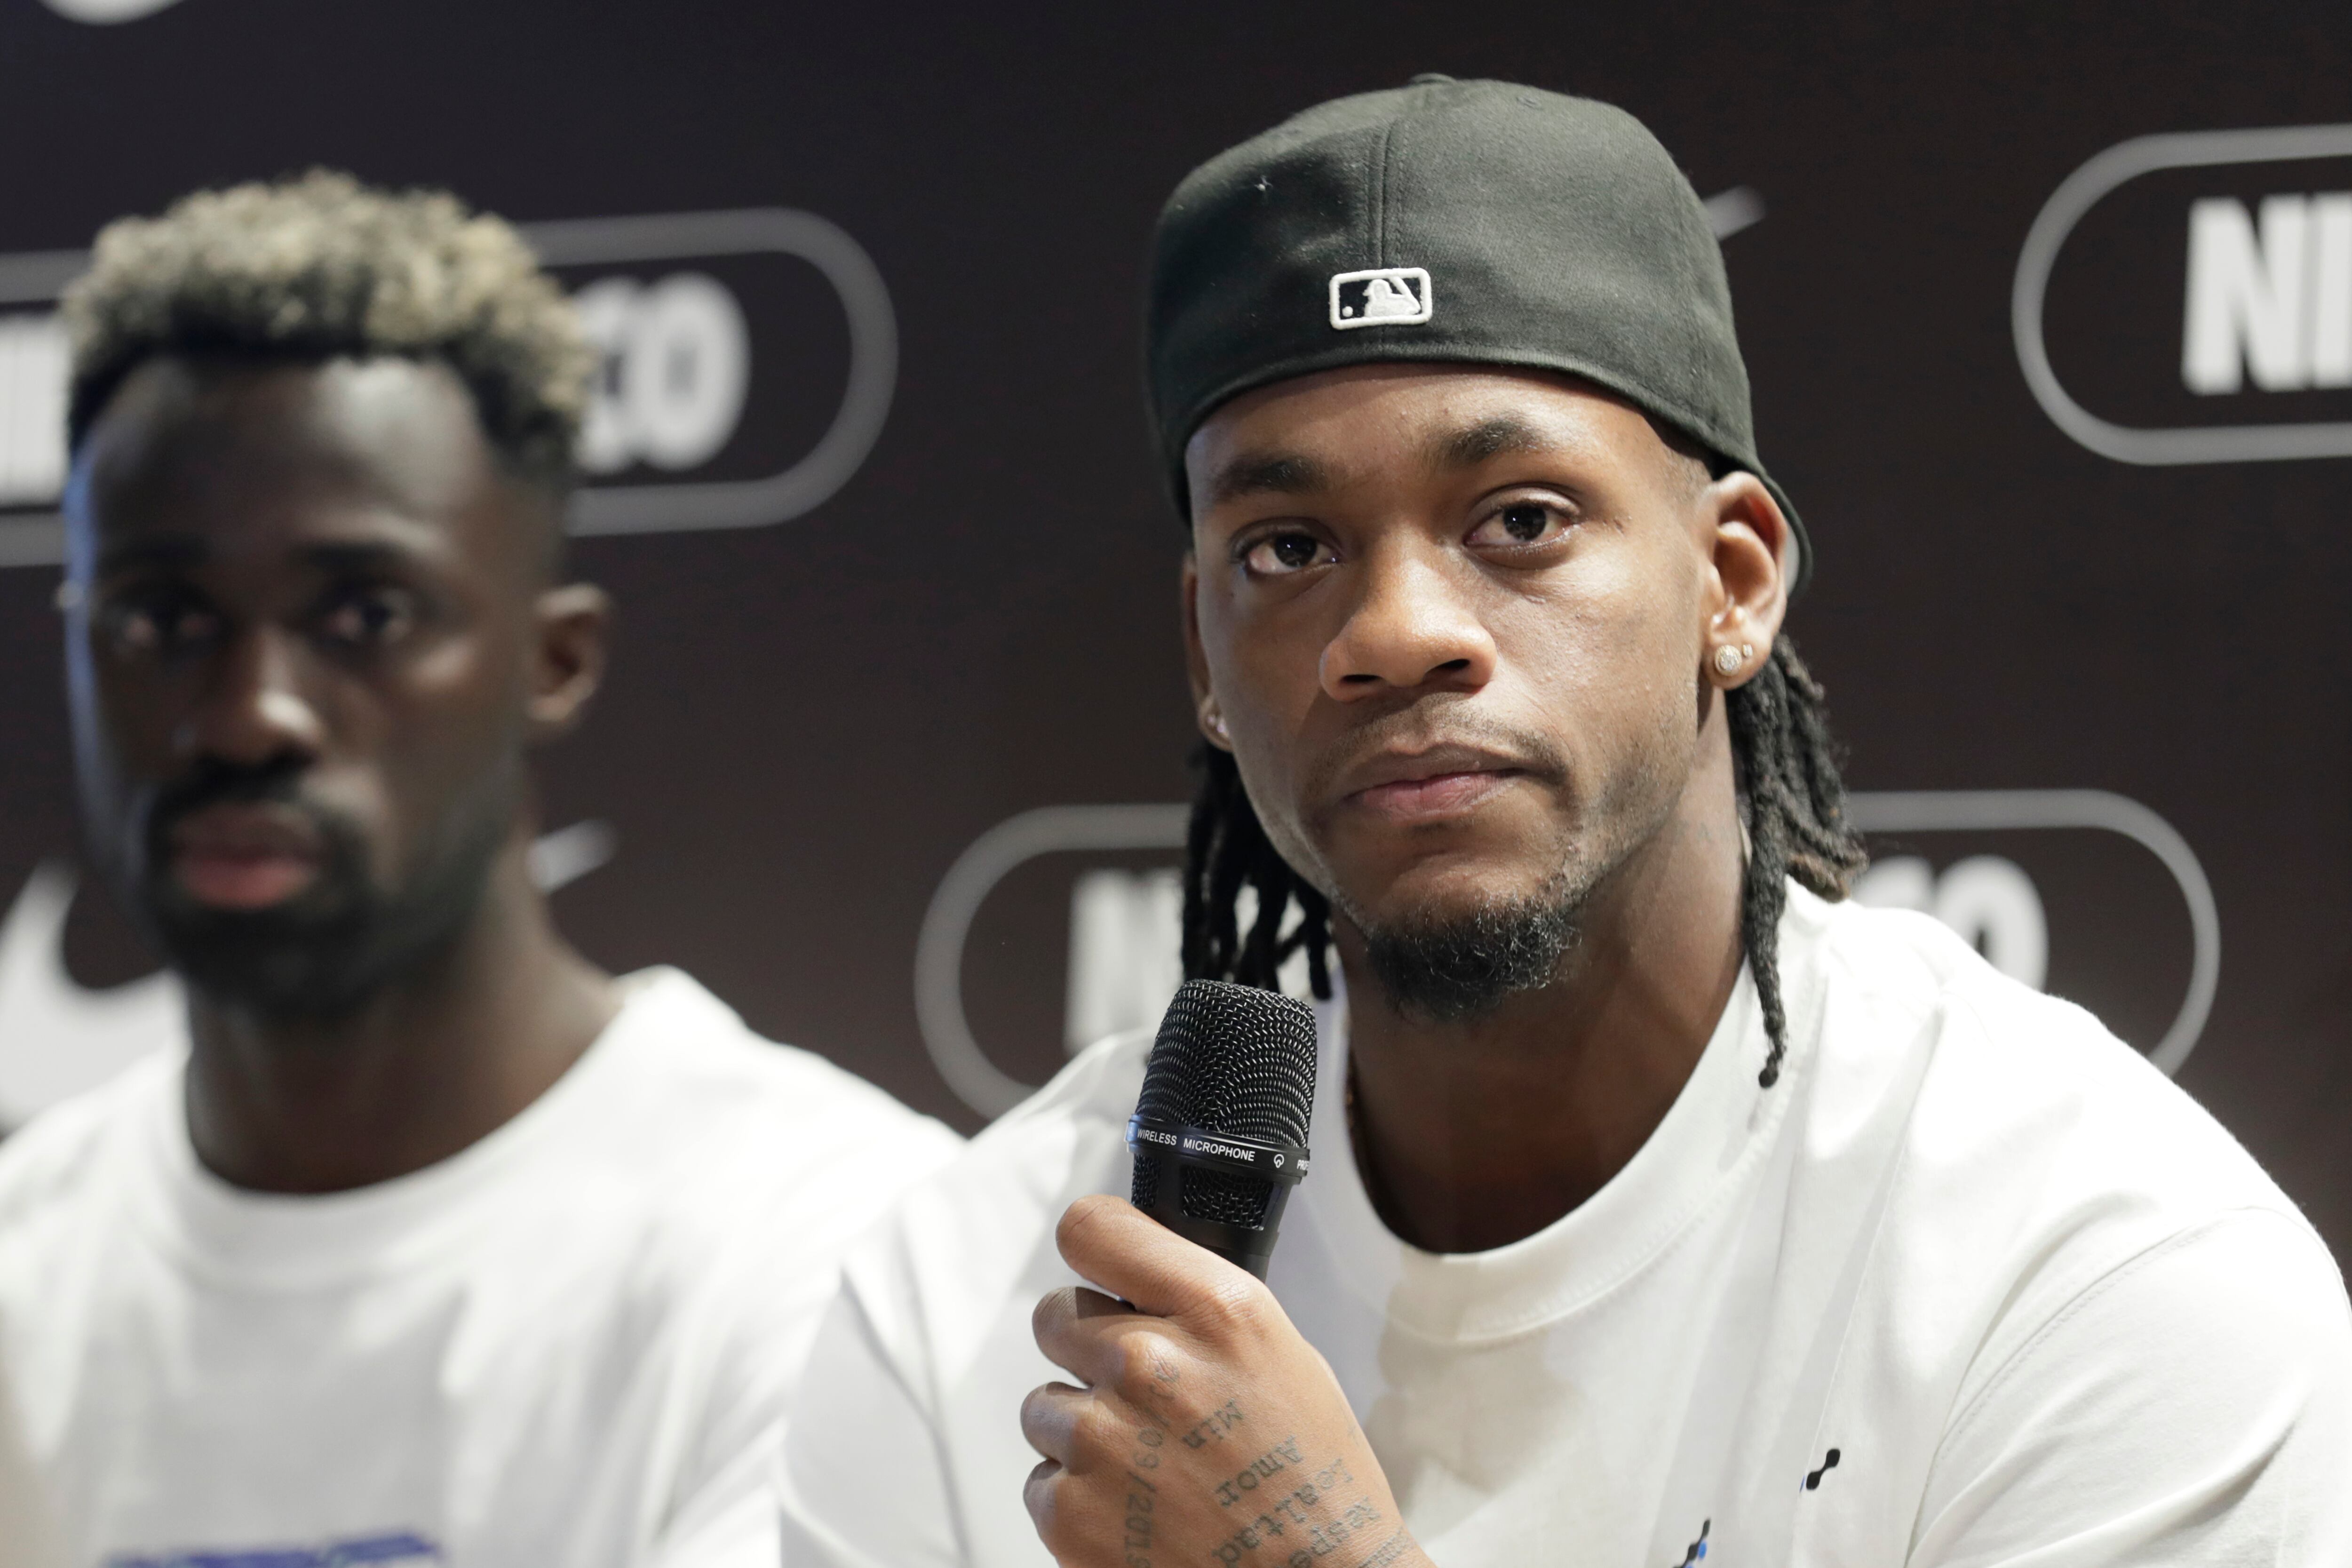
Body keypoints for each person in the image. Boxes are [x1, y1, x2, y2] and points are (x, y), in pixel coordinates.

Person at [778, 79, 2352, 1568]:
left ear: (1731, 584)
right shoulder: (981, 1293)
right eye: (1287, 547)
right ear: (1204, 653)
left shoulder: (2084, 1260)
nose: (1391, 630)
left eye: (1519, 520)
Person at [0, 172, 961, 1568]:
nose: (245, 713)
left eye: (364, 613)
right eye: (162, 618)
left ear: (553, 661)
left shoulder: (835, 1252)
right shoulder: (27, 1258)